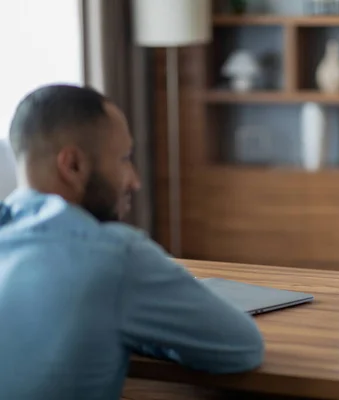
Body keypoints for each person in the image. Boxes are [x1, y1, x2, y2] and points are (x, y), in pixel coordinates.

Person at [0, 84, 264, 400]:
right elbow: (242, 347)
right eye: (124, 159)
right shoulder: (112, 255)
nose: (135, 180)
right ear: (73, 165)